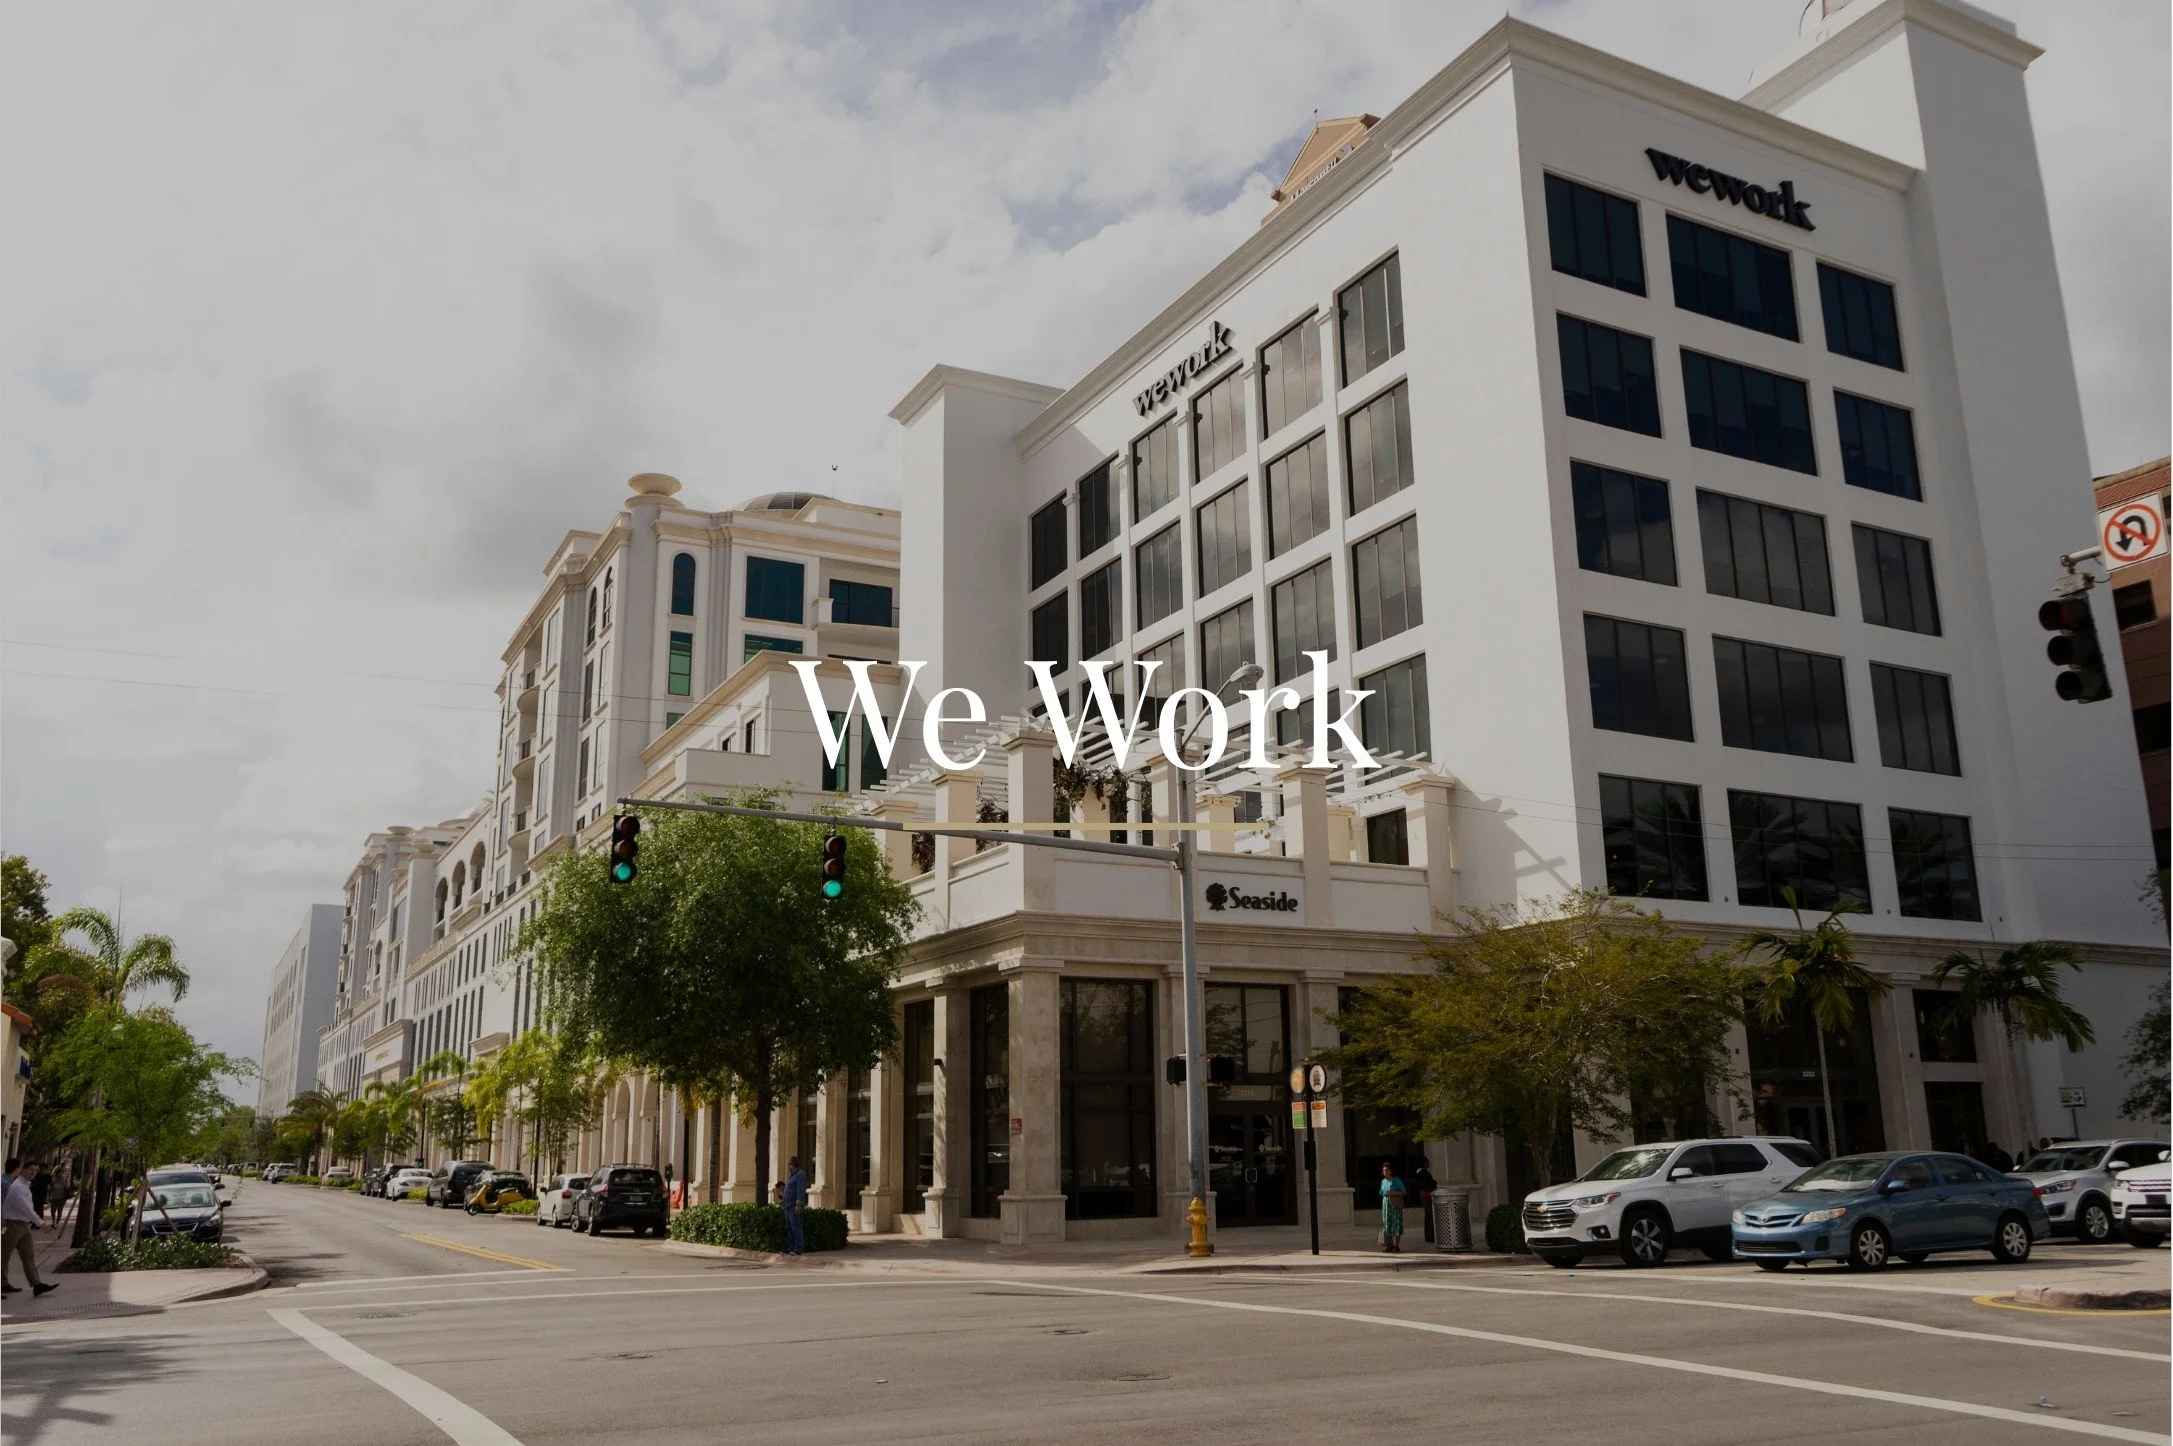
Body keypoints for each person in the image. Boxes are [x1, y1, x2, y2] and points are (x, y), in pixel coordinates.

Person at [3, 1159, 58, 1297]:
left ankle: (37, 1284)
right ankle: (3, 1284)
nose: (33, 1173)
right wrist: (40, 1223)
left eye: (35, 1171)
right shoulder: (18, 1187)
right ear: (23, 1169)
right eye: (31, 1170)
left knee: (29, 1256)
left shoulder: (25, 1185)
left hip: (24, 1227)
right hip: (12, 1226)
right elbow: (25, 1208)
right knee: (3, 1257)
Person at [781, 1155, 809, 1257]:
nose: (788, 1167)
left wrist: (799, 1204)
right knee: (789, 1228)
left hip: (794, 1205)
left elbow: (800, 1190)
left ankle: (798, 1249)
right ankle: (791, 1248)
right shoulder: (792, 1175)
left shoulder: (800, 1175)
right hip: (788, 1205)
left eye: (788, 1165)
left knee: (796, 1227)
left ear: (792, 1165)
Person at [1408, 1152, 1438, 1245]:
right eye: (1427, 1161)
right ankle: (1431, 1236)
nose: (1429, 1163)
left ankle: (1428, 1236)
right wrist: (1434, 1182)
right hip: (1427, 1195)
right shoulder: (1424, 1173)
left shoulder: (1418, 1173)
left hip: (1423, 1196)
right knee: (1432, 1215)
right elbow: (1429, 1185)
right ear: (1424, 1163)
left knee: (1428, 1216)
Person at [1378, 1161, 1406, 1254]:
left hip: (1394, 1204)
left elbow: (1404, 1192)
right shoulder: (1383, 1181)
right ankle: (1389, 1246)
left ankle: (1396, 1246)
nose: (1385, 1172)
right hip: (1386, 1204)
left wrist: (1394, 1193)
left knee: (1396, 1224)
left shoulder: (1396, 1180)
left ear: (1391, 1171)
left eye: (1386, 1170)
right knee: (1387, 1225)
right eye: (1383, 1170)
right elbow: (1382, 1193)